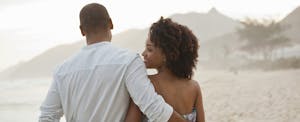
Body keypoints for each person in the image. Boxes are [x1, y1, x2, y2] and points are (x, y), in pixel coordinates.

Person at [39, 3, 187, 122]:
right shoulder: (129, 61)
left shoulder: (62, 70)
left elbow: (47, 116)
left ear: (82, 31)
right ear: (111, 23)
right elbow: (153, 107)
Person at [125, 17, 205, 122]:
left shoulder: (146, 84)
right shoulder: (194, 87)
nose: (143, 54)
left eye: (149, 49)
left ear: (167, 55)